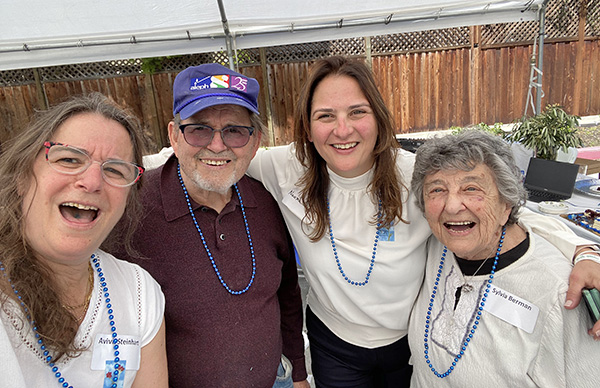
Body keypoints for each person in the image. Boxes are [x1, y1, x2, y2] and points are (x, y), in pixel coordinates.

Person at [246, 56, 600, 387]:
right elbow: (217, 162)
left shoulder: (416, 174)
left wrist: (584, 250)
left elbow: (499, 207)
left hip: (410, 343)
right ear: (307, 128)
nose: (342, 129)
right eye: (325, 116)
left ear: (379, 119)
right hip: (333, 344)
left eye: (357, 112)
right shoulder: (283, 169)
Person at [106, 64, 309, 387]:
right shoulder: (130, 211)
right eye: (199, 129)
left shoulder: (265, 204)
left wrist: (298, 372)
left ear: (255, 142)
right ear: (174, 135)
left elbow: (287, 292)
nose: (217, 145)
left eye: (235, 130)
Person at [408, 130, 600, 387]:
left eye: (471, 188)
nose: (452, 206)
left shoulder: (560, 293)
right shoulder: (437, 246)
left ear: (506, 203)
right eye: (437, 189)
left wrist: (587, 251)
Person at [0, 94, 167, 388]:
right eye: (68, 159)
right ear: (21, 175)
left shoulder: (139, 292)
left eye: (115, 170)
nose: (91, 182)